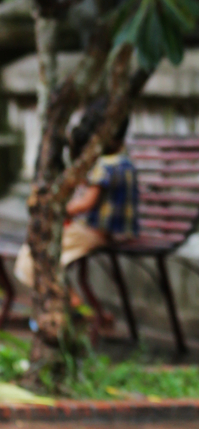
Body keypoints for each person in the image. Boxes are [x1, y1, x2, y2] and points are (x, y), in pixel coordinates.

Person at [15, 99, 138, 313]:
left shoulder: (105, 166)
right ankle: (77, 307)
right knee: (44, 259)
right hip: (107, 232)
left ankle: (76, 306)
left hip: (93, 232)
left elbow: (87, 202)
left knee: (36, 259)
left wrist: (58, 208)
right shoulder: (124, 162)